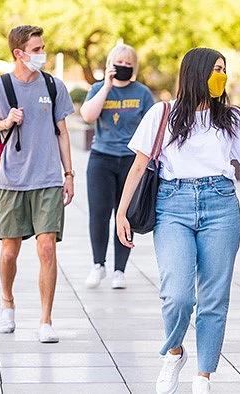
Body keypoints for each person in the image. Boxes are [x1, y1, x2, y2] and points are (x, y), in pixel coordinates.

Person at [116, 47, 240, 394]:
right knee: (177, 295)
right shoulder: (163, 114)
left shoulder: (232, 119)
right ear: (195, 74)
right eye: (215, 69)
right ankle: (174, 352)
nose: (221, 75)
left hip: (221, 206)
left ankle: (203, 375)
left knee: (214, 299)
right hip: (172, 206)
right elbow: (138, 165)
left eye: (224, 69)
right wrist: (121, 213)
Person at [0, 25, 76, 343]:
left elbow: (63, 132)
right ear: (19, 53)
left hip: (46, 180)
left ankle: (45, 320)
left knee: (46, 249)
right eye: (37, 49)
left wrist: (69, 175)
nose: (42, 54)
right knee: (9, 252)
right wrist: (5, 122)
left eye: (43, 47)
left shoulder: (54, 86)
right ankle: (7, 303)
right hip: (12, 180)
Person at [80, 44, 155, 289]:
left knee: (124, 214)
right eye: (118, 63)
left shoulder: (142, 93)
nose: (123, 67)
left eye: (128, 64)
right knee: (99, 214)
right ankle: (97, 264)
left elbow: (152, 126)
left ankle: (119, 270)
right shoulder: (97, 88)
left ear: (134, 67)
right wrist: (107, 86)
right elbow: (88, 115)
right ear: (110, 64)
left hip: (131, 161)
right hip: (102, 158)